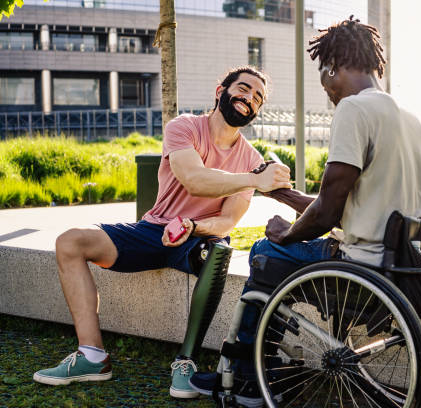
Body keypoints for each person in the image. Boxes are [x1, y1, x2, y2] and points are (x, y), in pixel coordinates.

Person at [189, 16, 421, 406]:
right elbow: (341, 208)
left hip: (362, 267)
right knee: (282, 249)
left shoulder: (354, 109)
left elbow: (325, 215)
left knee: (265, 253)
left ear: (331, 67)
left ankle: (251, 378)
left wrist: (285, 234)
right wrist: (281, 194)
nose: (327, 91)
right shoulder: (410, 119)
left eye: (324, 78)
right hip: (404, 263)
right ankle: (270, 361)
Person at [32, 66, 292, 399]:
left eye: (258, 97)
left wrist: (194, 226)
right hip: (154, 230)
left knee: (220, 249)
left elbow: (228, 221)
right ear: (220, 91)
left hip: (199, 239)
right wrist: (255, 179)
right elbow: (193, 177)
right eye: (243, 89)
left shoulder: (250, 158)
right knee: (70, 241)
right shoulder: (183, 127)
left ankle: (185, 362)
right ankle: (92, 356)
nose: (249, 99)